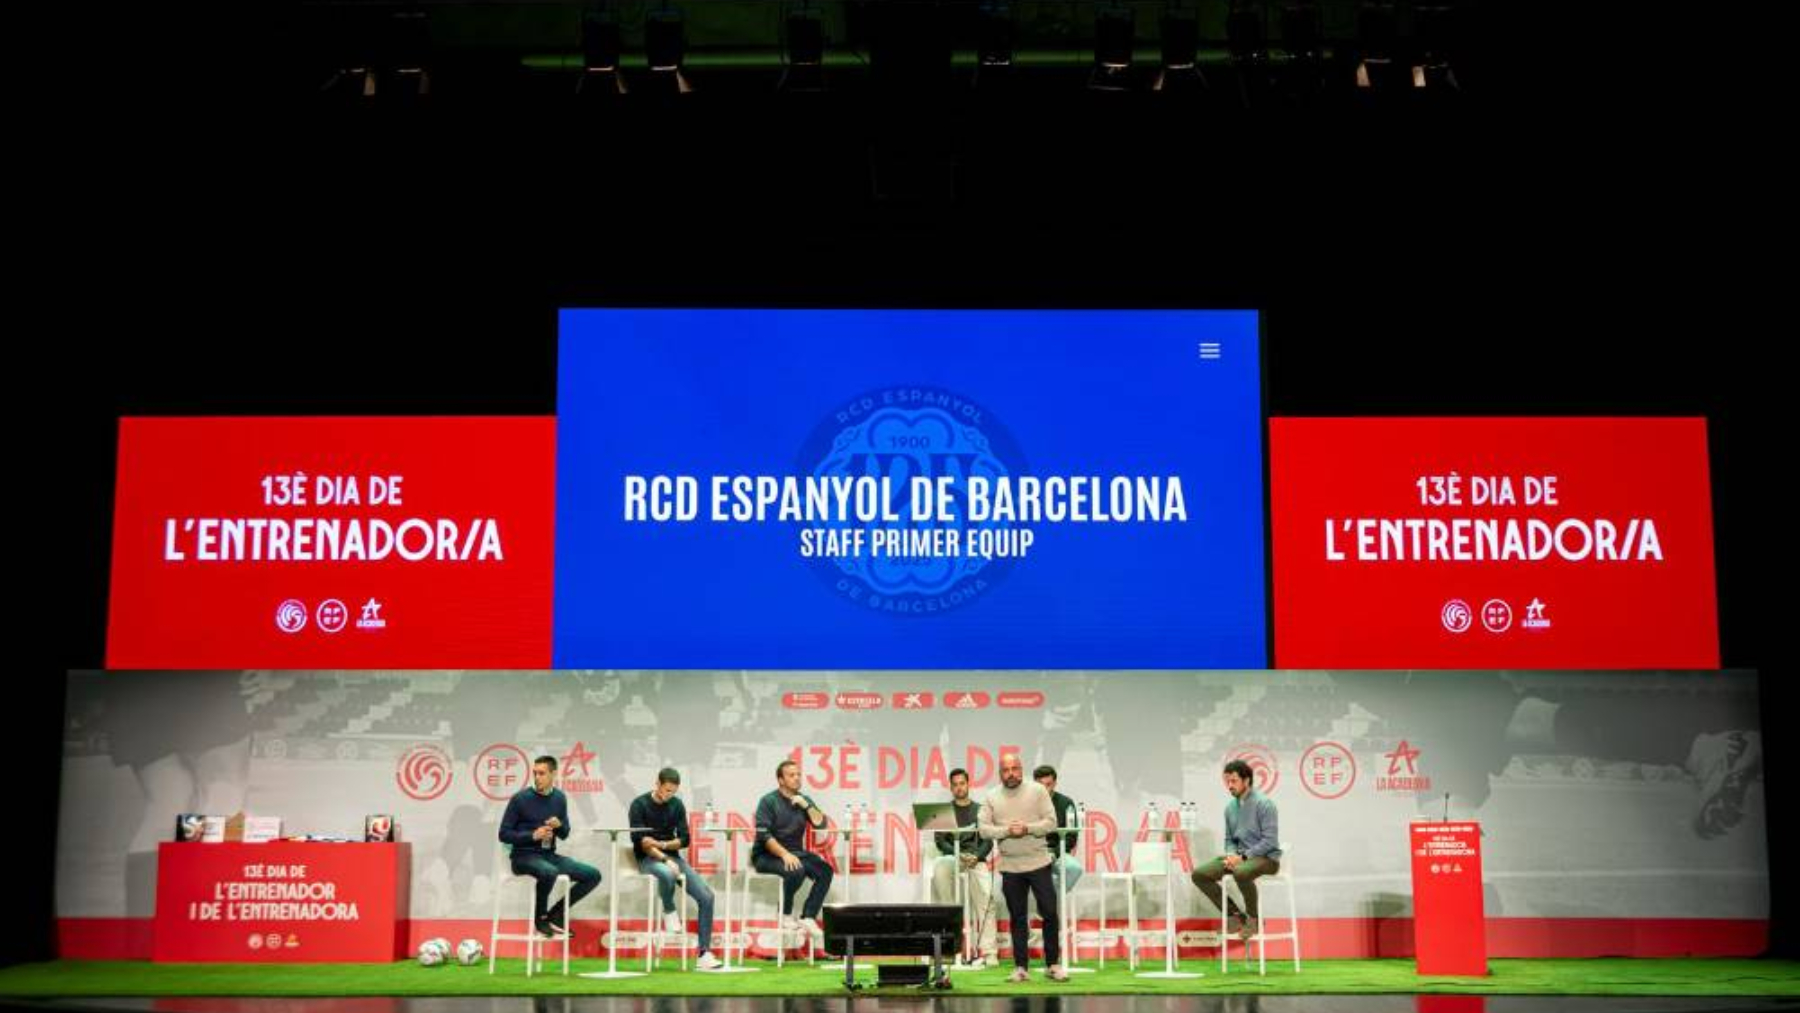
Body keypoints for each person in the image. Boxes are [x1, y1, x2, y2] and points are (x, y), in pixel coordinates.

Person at [979, 753, 1067, 982]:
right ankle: (1021, 967)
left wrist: (1027, 828)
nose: (1011, 774)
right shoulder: (991, 796)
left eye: (1015, 768)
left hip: (1039, 862)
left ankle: (1053, 964)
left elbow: (1051, 822)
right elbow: (984, 829)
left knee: (1049, 912)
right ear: (1000, 773)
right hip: (1010, 865)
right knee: (1017, 918)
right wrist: (1007, 831)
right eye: (1006, 770)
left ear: (1022, 769)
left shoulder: (1037, 791)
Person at [629, 767, 722, 969]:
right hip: (648, 860)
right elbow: (643, 843)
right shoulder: (639, 805)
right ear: (658, 784)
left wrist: (664, 846)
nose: (669, 795)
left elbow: (685, 839)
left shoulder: (677, 805)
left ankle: (704, 954)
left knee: (707, 897)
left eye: (673, 791)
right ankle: (669, 910)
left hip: (670, 856)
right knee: (667, 872)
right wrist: (664, 857)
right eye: (666, 790)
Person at [498, 755, 602, 937]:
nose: (537, 777)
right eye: (535, 773)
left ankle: (556, 913)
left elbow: (565, 833)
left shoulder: (560, 798)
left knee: (592, 875)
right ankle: (541, 918)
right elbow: (504, 834)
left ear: (554, 774)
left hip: (549, 855)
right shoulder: (520, 799)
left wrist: (558, 826)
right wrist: (532, 835)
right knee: (549, 872)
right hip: (523, 856)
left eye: (542, 773)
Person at [1190, 758, 1281, 940]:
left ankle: (1254, 920)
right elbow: (1229, 839)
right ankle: (1234, 916)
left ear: (1246, 781)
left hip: (1266, 858)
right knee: (1199, 874)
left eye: (1234, 781)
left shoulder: (1265, 804)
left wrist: (1242, 858)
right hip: (1240, 858)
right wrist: (1232, 855)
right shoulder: (1230, 808)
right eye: (1227, 781)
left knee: (1240, 872)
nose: (1229, 785)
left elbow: (1270, 841)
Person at [752, 759, 833, 942]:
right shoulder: (768, 801)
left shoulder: (804, 800)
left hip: (796, 852)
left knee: (825, 871)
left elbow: (821, 824)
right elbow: (764, 836)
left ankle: (808, 916)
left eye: (798, 775)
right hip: (766, 855)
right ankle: (785, 913)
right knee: (796, 869)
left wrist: (806, 805)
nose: (797, 778)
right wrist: (784, 854)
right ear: (781, 780)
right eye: (791, 775)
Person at [929, 767, 997, 966]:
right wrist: (958, 854)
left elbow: (988, 839)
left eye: (962, 783)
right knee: (941, 867)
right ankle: (949, 945)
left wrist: (977, 856)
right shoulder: (943, 810)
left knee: (987, 898)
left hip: (976, 860)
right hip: (954, 857)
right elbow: (940, 841)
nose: (959, 787)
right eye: (955, 784)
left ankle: (988, 952)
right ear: (951, 787)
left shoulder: (981, 810)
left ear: (968, 784)